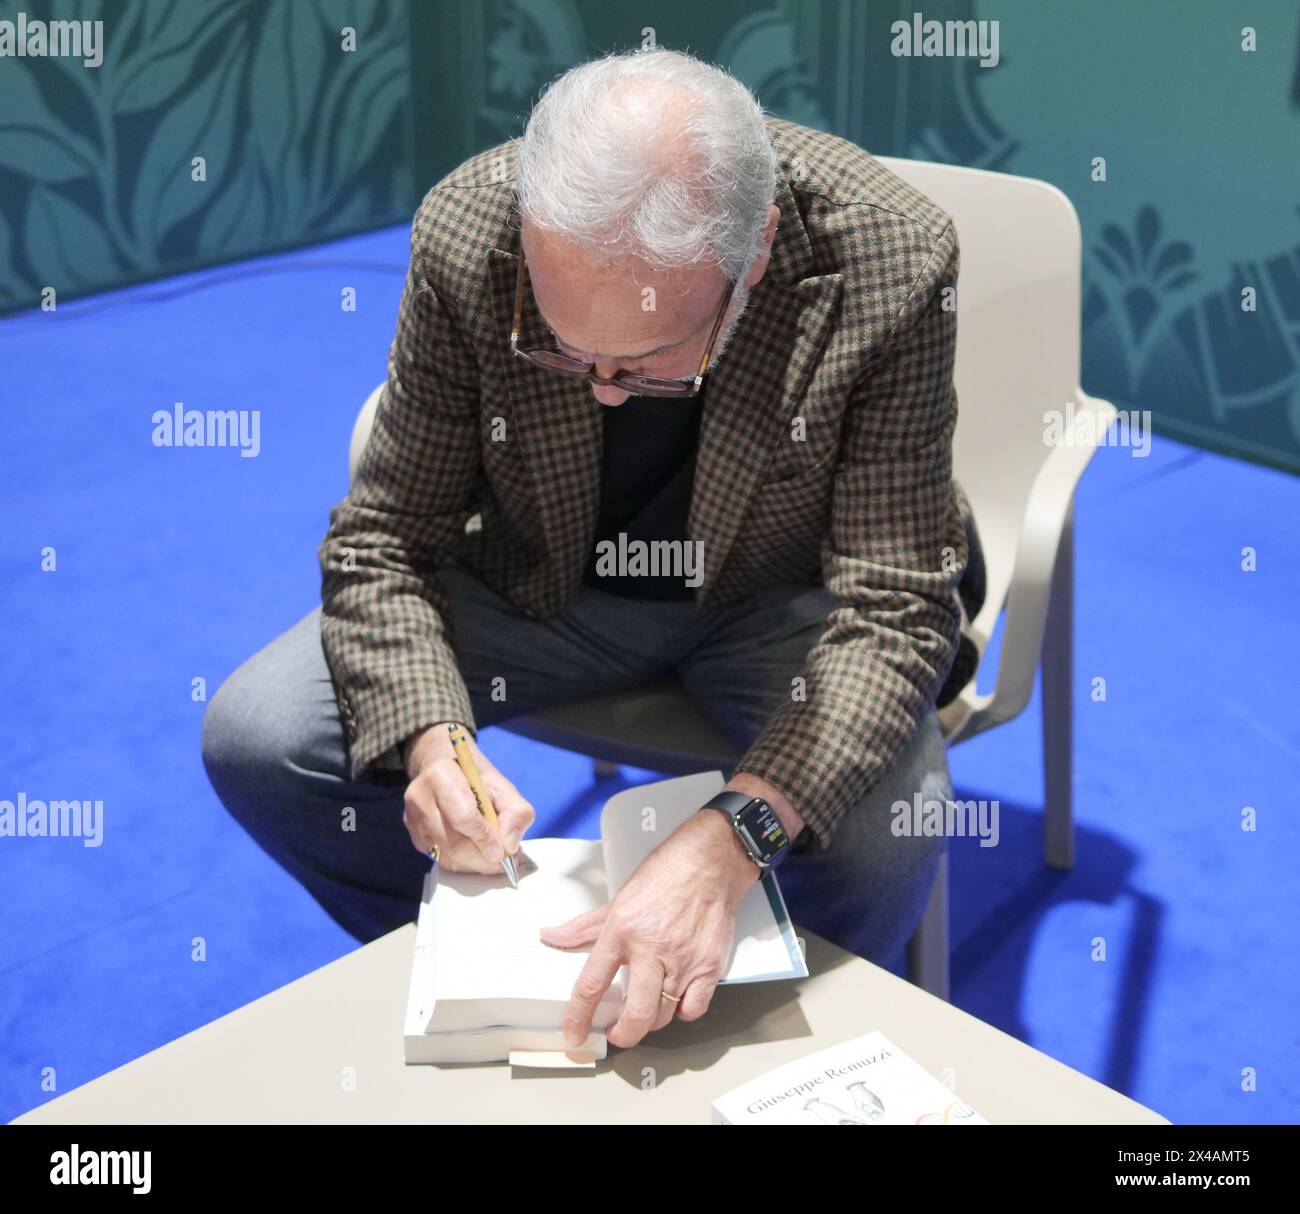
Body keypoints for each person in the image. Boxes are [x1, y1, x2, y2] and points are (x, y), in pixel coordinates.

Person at [202, 47, 986, 1051]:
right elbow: (384, 537)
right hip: (545, 581)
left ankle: (740, 1043)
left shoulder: (890, 256)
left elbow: (896, 604)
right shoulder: (471, 228)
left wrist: (731, 838)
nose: (603, 388)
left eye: (650, 362)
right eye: (564, 347)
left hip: (780, 596)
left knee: (882, 838)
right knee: (259, 736)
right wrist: (433, 740)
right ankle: (499, 974)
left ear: (755, 256)